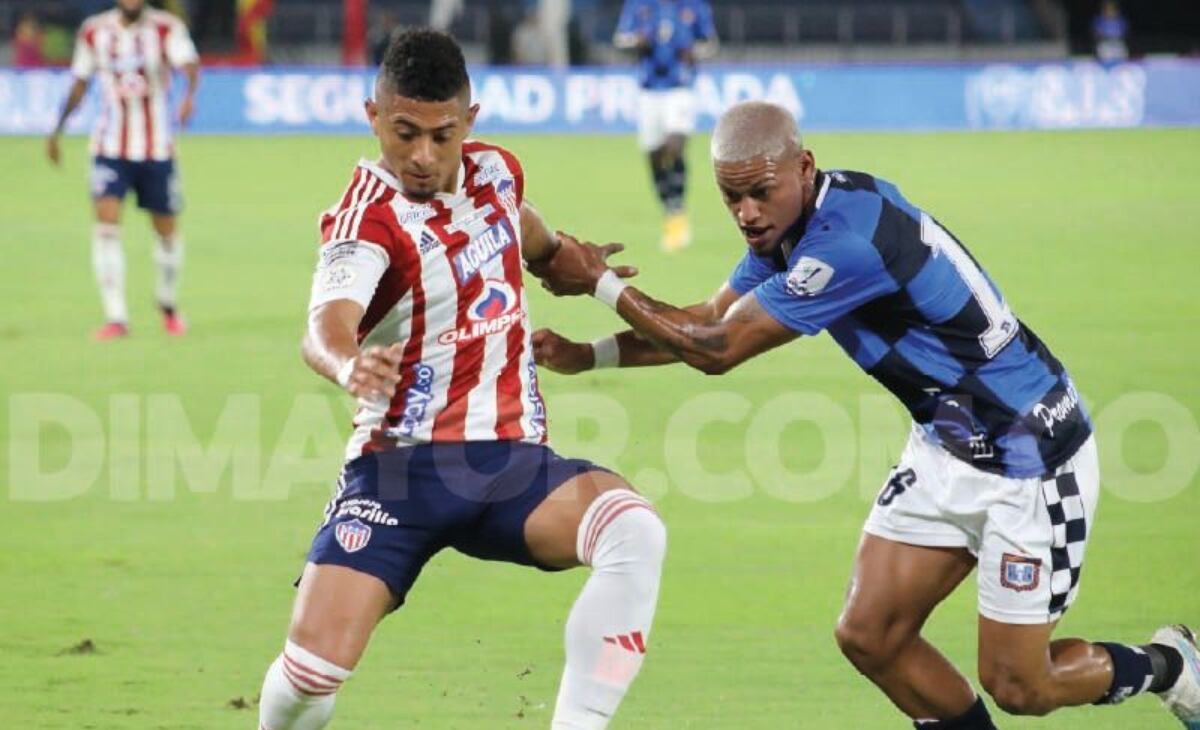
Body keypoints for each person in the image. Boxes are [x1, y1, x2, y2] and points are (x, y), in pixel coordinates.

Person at [532, 100, 1200, 729]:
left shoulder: (847, 242)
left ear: (803, 166)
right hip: (947, 444)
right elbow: (707, 319)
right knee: (870, 635)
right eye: (731, 197)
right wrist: (588, 356)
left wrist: (600, 283)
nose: (746, 213)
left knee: (1020, 685)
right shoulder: (800, 220)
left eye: (759, 192)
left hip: (1030, 455)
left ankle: (1171, 665)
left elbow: (717, 349)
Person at [255, 29, 666, 730]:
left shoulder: (496, 174)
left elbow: (534, 239)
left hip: (512, 465)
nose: (422, 155)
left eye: (442, 136)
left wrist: (571, 261)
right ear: (373, 117)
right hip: (398, 473)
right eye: (404, 133)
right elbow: (324, 326)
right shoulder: (367, 222)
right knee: (309, 678)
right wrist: (350, 364)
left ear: (469, 122)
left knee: (633, 530)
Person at [47, 0, 199, 340]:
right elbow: (80, 82)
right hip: (109, 147)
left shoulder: (166, 27)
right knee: (105, 227)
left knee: (166, 231)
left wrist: (190, 94)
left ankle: (167, 303)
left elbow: (189, 63)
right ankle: (116, 317)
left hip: (157, 148)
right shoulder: (94, 31)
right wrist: (57, 129)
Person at [613, 0, 716, 252]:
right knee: (654, 154)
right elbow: (620, 39)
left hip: (680, 87)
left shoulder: (694, 5)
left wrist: (695, 52)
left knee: (675, 145)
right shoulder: (639, 4)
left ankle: (677, 212)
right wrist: (637, 42)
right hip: (648, 90)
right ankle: (669, 208)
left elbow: (711, 44)